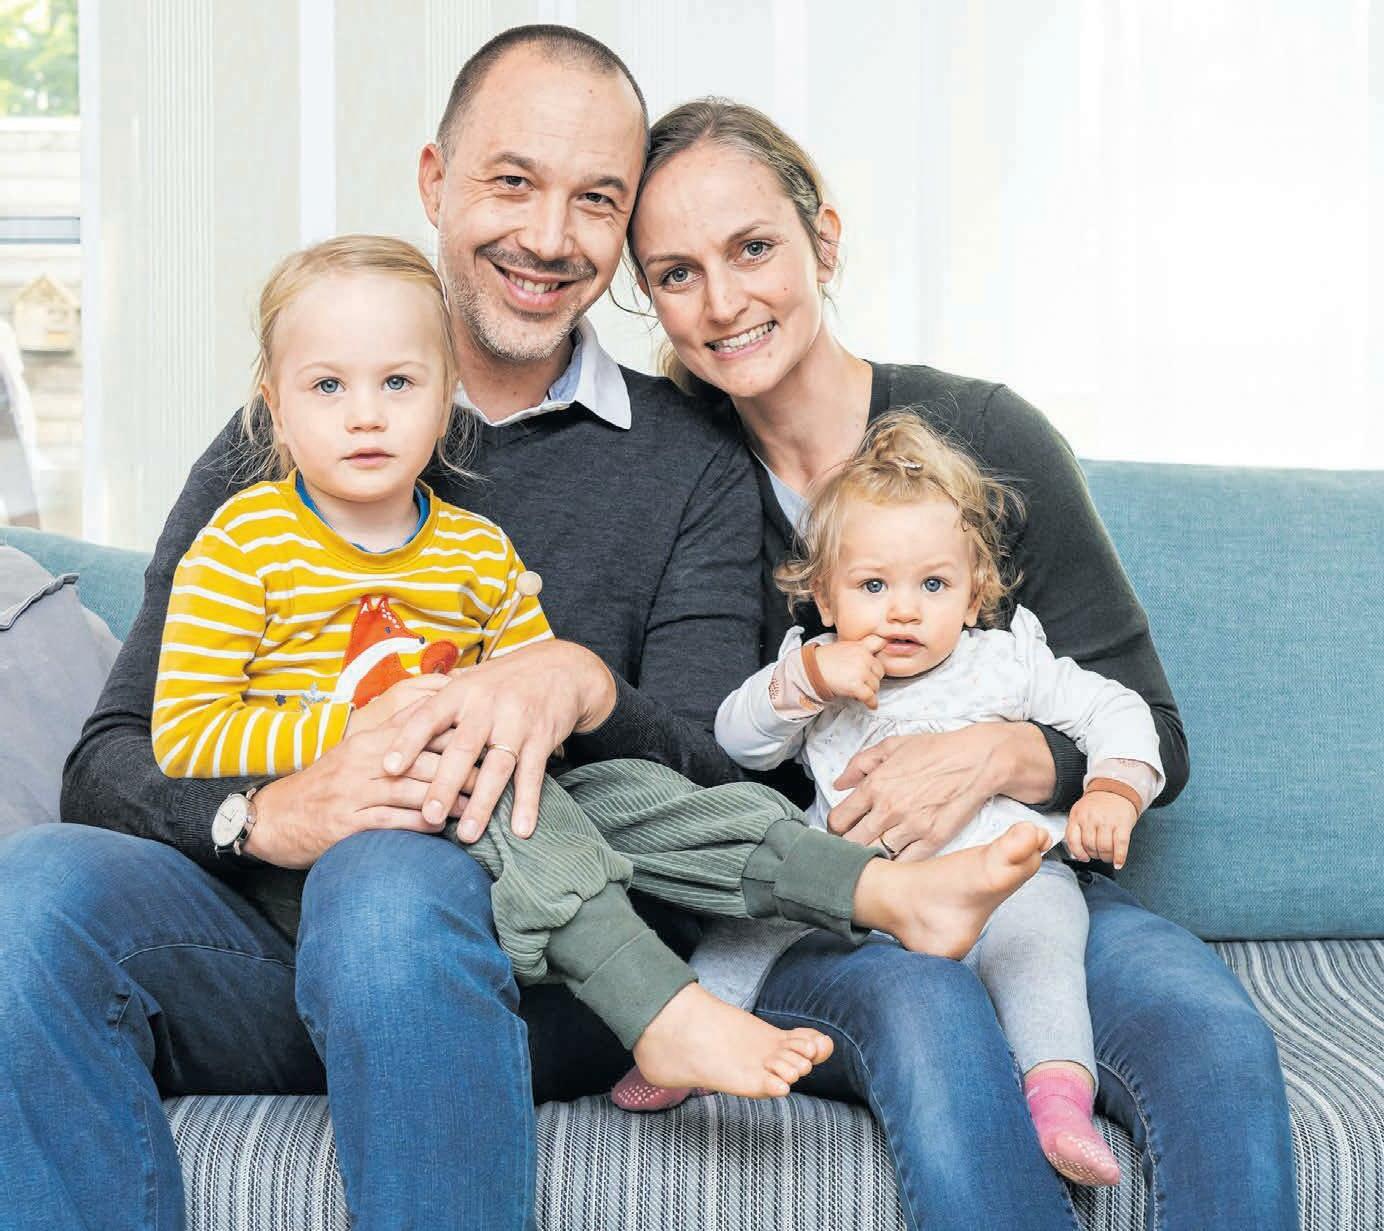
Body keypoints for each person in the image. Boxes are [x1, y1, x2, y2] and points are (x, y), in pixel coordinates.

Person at [0, 28, 1050, 1231]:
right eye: (512, 181)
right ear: (435, 180)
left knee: (392, 876)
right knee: (33, 888)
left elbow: (721, 775)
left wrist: (581, 683)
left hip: (537, 953)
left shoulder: (688, 463)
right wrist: (268, 814)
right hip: (260, 942)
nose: (549, 237)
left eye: (595, 199)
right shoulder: (280, 441)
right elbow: (111, 761)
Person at [151, 233, 1052, 1100]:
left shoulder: (477, 549)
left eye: (398, 382)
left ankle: (882, 888)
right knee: (499, 797)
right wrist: (354, 732)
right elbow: (184, 734)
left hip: (483, 809)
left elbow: (536, 713)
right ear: (275, 406)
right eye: (327, 386)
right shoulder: (243, 543)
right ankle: (659, 1008)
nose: (365, 414)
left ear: (446, 395)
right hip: (337, 855)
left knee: (631, 789)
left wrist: (526, 710)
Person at [625, 96, 1298, 1230]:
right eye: (676, 273)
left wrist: (996, 752)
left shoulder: (983, 435)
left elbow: (1153, 730)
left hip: (1021, 876)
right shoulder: (667, 477)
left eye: (753, 248)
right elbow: (685, 759)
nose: (724, 302)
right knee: (927, 1014)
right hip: (815, 911)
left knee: (1212, 1041)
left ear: (823, 241)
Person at [620, 412, 1165, 1189]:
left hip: (1007, 883)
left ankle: (1057, 1098)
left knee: (1045, 947)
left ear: (974, 594)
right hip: (856, 888)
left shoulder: (1004, 663)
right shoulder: (817, 668)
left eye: (933, 585)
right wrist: (808, 680)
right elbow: (739, 740)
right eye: (873, 585)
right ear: (823, 593)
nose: (903, 609)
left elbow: (1119, 708)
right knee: (749, 919)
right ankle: (687, 1041)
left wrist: (1112, 786)